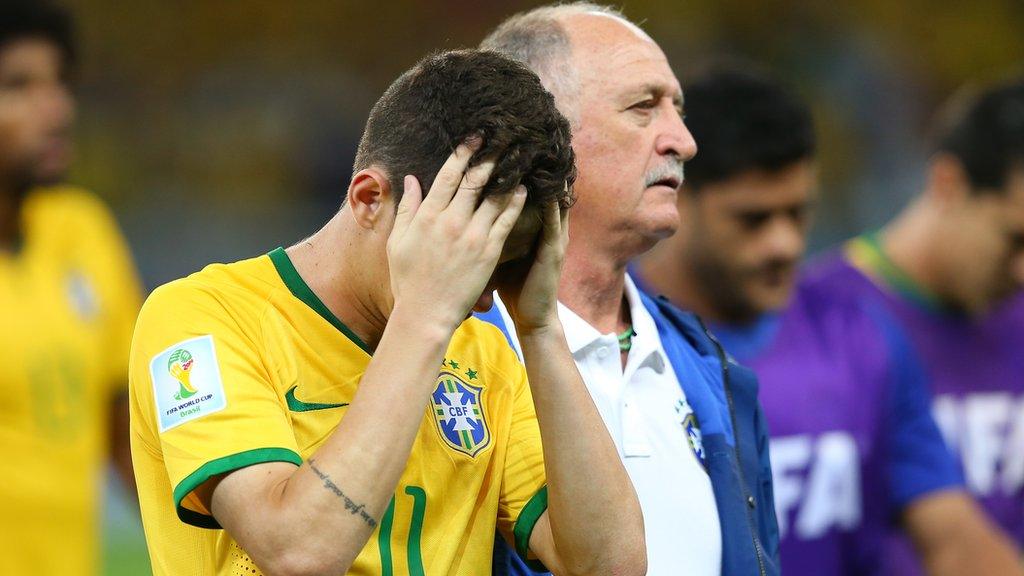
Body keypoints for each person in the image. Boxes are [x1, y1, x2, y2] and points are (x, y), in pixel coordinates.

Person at [129, 48, 645, 576]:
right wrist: (424, 317)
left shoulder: (485, 356)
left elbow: (610, 567)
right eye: (464, 253)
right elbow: (298, 553)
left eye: (504, 266)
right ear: (370, 198)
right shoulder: (203, 320)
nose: (486, 299)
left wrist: (540, 330)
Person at [638, 62, 1024, 576]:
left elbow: (955, 538)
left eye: (798, 214)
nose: (784, 243)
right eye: (753, 219)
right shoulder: (616, 336)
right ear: (676, 196)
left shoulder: (859, 339)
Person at [479, 5, 780, 576]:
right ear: (540, 134)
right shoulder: (446, 363)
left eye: (678, 110)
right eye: (645, 107)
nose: (685, 142)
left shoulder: (713, 371)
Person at [0, 2, 142, 574]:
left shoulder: (83, 231)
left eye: (59, 82)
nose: (57, 107)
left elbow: (127, 435)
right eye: (18, 86)